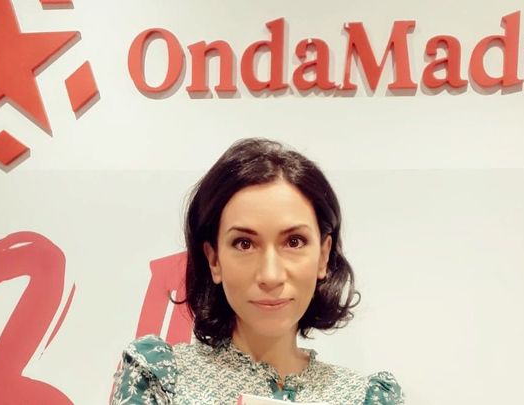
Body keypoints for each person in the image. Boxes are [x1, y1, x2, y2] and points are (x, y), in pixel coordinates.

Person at [111, 138, 404, 404]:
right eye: (244, 244)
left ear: (323, 255)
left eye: (294, 241)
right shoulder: (161, 378)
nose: (271, 276)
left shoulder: (366, 397)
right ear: (214, 260)